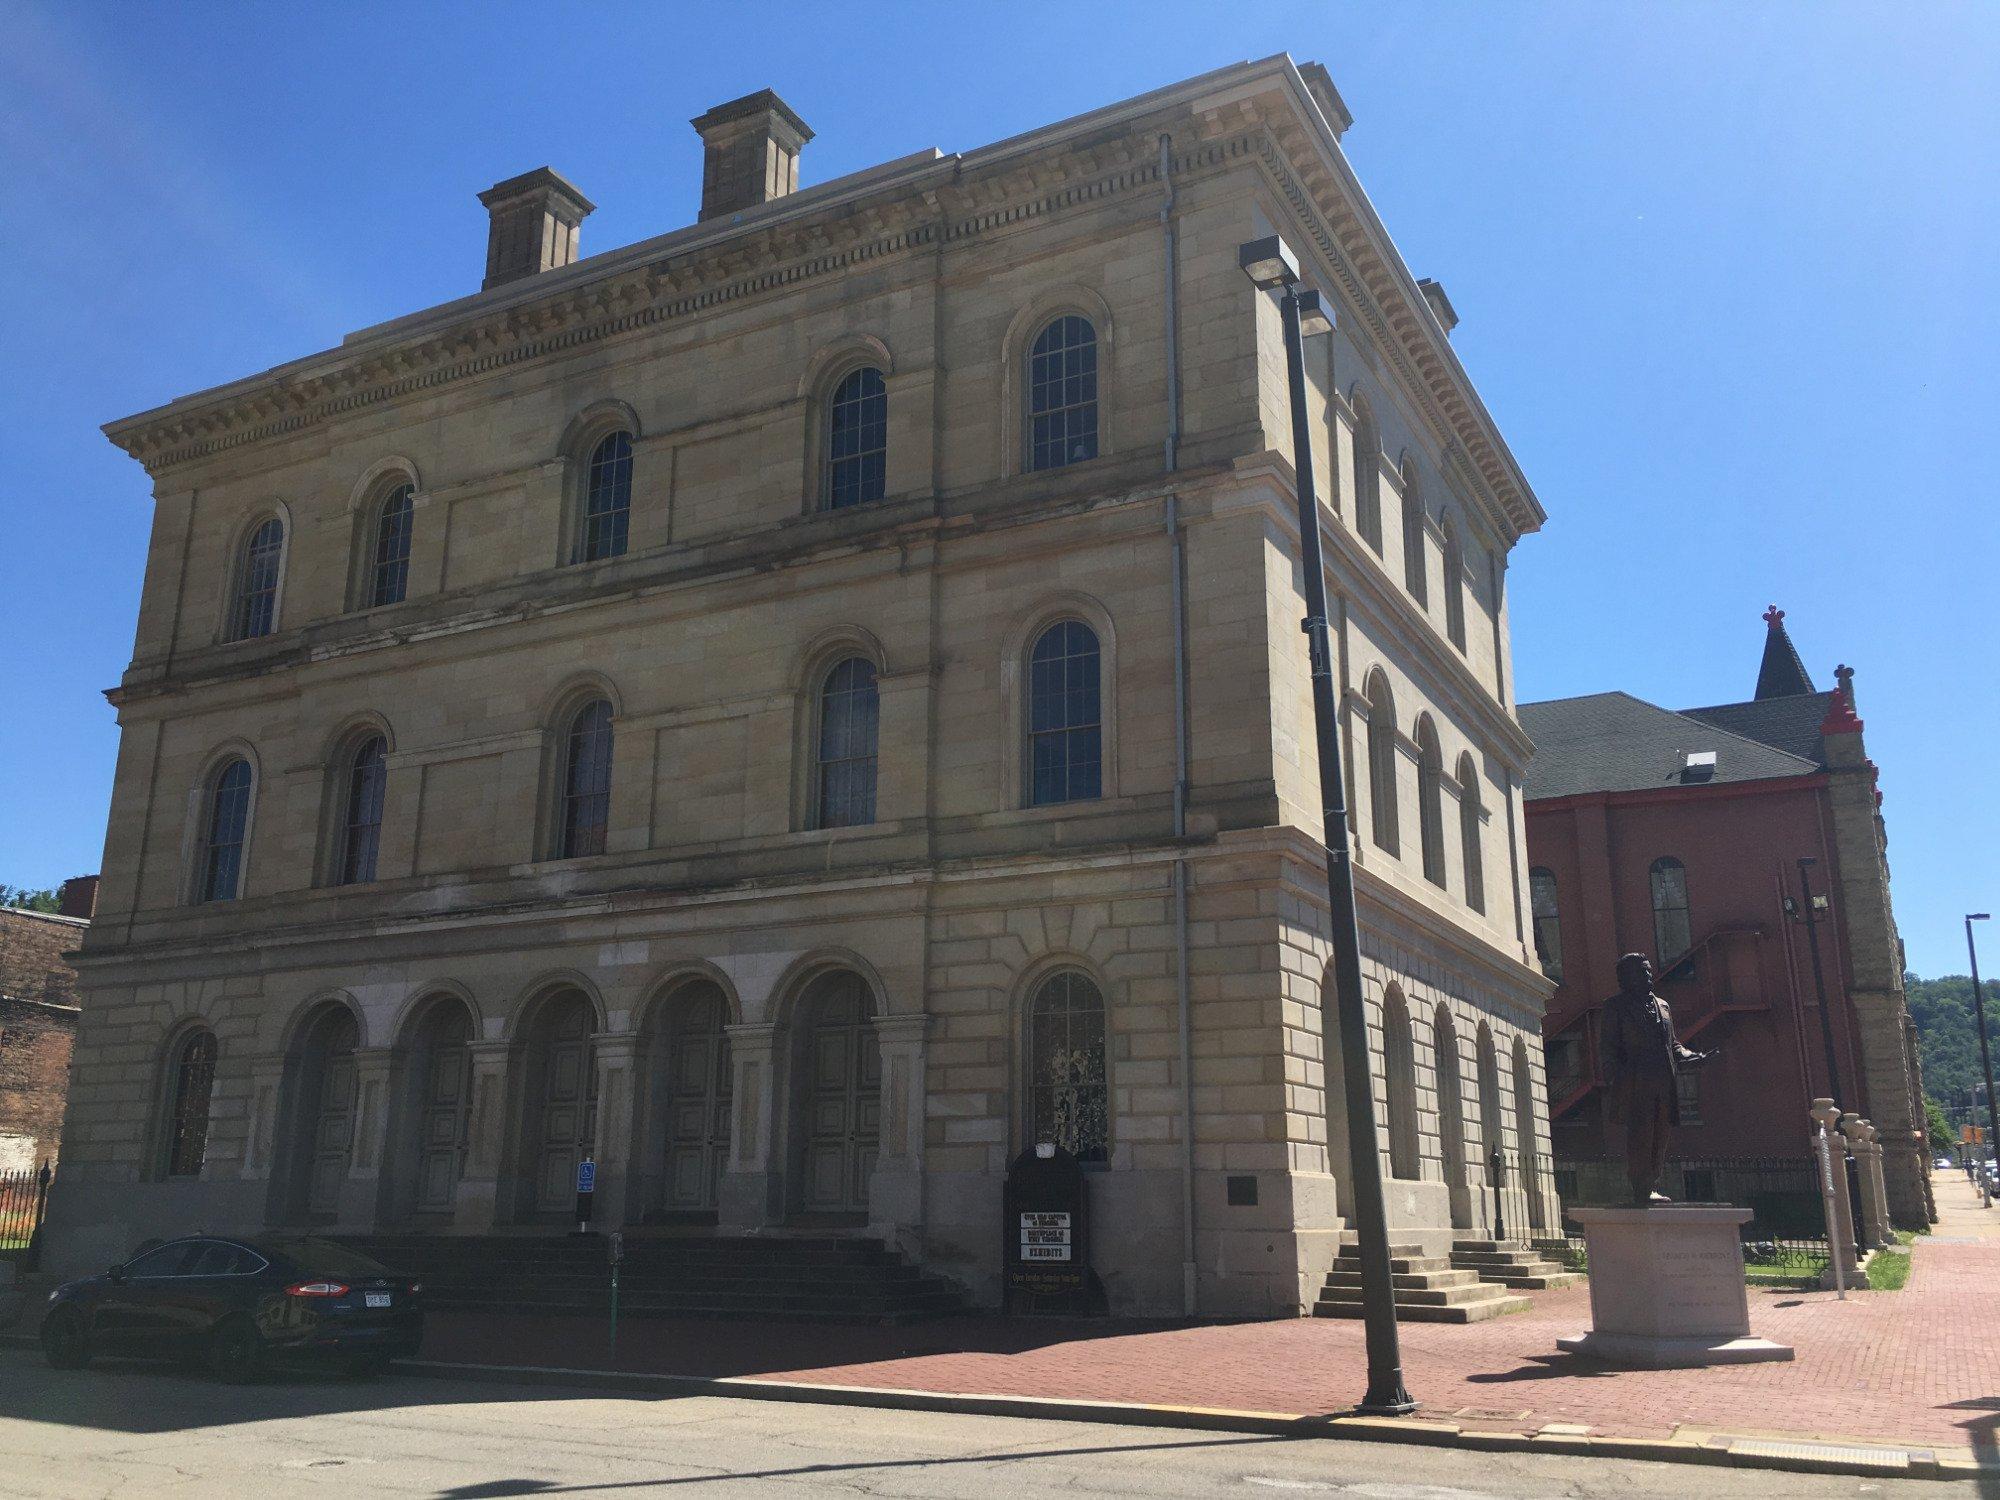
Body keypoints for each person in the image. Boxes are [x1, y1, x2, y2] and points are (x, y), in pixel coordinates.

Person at [1601, 953, 1712, 1204]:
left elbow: (1673, 1045)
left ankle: (1653, 1182)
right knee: (1640, 1135)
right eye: (1642, 971)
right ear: (1626, 977)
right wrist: (1616, 1080)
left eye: (1649, 970)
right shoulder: (1615, 1006)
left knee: (1660, 1135)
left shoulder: (1663, 1005)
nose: (1648, 975)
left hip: (1663, 1082)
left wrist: (1694, 1056)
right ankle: (1641, 1187)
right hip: (1635, 1083)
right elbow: (1608, 1049)